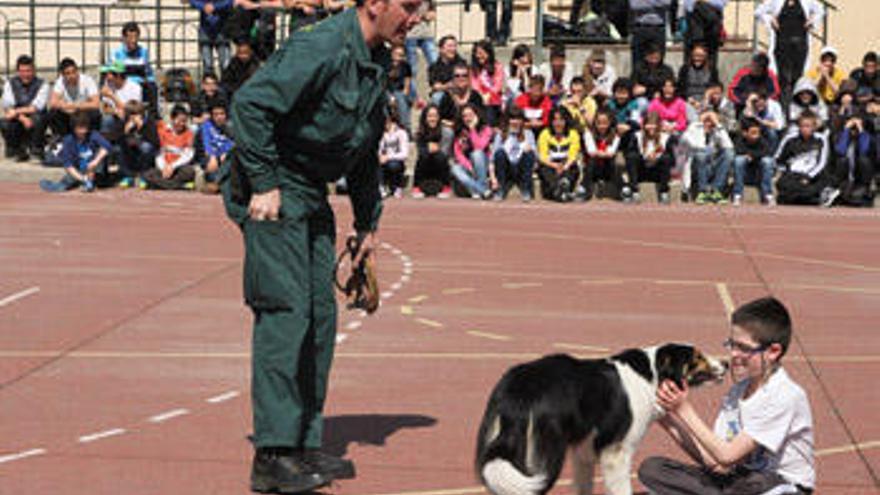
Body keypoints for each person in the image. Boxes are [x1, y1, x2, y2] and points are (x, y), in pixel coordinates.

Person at [224, 1, 421, 491]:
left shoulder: (375, 60)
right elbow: (249, 106)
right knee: (286, 312)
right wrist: (265, 182)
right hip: (274, 186)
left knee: (320, 315)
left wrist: (366, 224)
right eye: (410, 5)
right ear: (374, 3)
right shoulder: (321, 46)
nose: (417, 17)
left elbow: (362, 151)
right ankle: (272, 455)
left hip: (310, 192)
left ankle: (302, 445)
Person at [639, 296, 815, 495]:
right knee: (653, 469)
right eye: (731, 344)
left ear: (773, 351)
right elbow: (716, 463)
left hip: (778, 486)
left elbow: (727, 455)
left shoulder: (785, 395)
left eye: (743, 348)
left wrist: (684, 409)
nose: (733, 354)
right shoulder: (738, 392)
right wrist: (666, 415)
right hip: (739, 481)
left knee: (754, 485)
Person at [756, 0, 824, 105]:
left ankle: (795, 105)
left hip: (800, 45)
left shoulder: (807, 1)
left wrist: (812, 21)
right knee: (783, 78)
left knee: (797, 77)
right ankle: (783, 106)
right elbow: (759, 11)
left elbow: (821, 10)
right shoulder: (776, 1)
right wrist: (770, 19)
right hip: (782, 44)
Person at [40, 111, 110, 193]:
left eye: (85, 127)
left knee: (101, 154)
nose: (83, 131)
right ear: (74, 128)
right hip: (79, 169)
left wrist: (95, 162)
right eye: (80, 127)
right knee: (63, 185)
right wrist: (83, 178)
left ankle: (94, 181)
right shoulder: (68, 141)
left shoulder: (93, 135)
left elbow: (107, 146)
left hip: (95, 169)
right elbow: (68, 165)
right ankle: (84, 182)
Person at [774, 111, 830, 205]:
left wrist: (808, 177)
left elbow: (822, 163)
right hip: (793, 175)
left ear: (814, 127)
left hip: (812, 176)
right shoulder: (790, 138)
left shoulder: (821, 139)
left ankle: (806, 197)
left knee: (814, 187)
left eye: (808, 126)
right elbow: (778, 158)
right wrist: (784, 171)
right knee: (783, 185)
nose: (805, 129)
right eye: (803, 126)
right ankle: (812, 198)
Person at [0, 55, 49, 162]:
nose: (25, 74)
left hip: (34, 118)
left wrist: (16, 111)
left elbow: (36, 107)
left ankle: (36, 149)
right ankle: (15, 149)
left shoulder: (43, 84)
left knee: (38, 118)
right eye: (22, 71)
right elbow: (8, 106)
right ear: (17, 71)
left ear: (34, 70)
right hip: (18, 119)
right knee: (4, 122)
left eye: (28, 71)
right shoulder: (10, 83)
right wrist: (22, 117)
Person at [682, 109, 734, 204]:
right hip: (697, 168)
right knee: (701, 154)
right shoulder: (693, 128)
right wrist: (700, 126)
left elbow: (729, 146)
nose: (709, 124)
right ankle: (703, 191)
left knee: (729, 154)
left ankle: (716, 191)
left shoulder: (717, 130)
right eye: (707, 120)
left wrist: (718, 124)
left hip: (713, 167)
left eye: (711, 121)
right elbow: (691, 143)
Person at [622, 110, 673, 203]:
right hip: (641, 170)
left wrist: (657, 158)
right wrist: (645, 157)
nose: (651, 127)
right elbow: (631, 153)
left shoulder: (665, 137)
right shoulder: (637, 136)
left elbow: (672, 159)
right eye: (648, 124)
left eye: (654, 124)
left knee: (666, 158)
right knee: (631, 156)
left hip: (657, 172)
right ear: (644, 125)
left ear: (659, 125)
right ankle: (634, 191)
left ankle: (663, 192)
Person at [142, 105, 196, 190]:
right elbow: (159, 153)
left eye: (184, 121)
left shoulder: (189, 133)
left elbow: (188, 155)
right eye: (179, 120)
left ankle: (161, 184)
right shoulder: (162, 131)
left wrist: (172, 166)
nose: (182, 124)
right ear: (172, 118)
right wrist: (164, 167)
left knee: (189, 172)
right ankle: (178, 185)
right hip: (163, 166)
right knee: (147, 174)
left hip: (178, 167)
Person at [110, 22, 157, 116]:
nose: (133, 40)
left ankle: (153, 116)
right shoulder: (117, 53)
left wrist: (150, 80)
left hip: (141, 82)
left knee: (152, 87)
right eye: (130, 37)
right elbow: (114, 72)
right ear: (124, 38)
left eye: (136, 37)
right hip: (124, 82)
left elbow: (148, 71)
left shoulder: (143, 52)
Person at [47, 58, 101, 138]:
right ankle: (62, 139)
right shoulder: (60, 82)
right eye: (67, 73)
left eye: (74, 72)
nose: (72, 76)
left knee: (95, 113)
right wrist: (64, 107)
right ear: (63, 75)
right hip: (68, 112)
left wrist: (75, 106)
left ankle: (91, 139)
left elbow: (96, 104)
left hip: (83, 112)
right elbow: (53, 102)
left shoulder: (87, 80)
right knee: (53, 113)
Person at [491, 106, 536, 201]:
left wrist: (529, 148)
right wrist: (493, 178)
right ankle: (501, 189)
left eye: (518, 119)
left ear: (522, 120)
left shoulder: (528, 133)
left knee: (530, 153)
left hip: (521, 167)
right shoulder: (501, 134)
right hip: (506, 168)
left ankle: (525, 189)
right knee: (500, 153)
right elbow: (493, 158)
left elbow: (535, 157)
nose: (515, 122)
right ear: (507, 120)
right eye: (512, 119)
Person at [537, 107, 581, 202]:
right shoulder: (545, 133)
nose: (558, 124)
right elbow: (542, 157)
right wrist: (555, 166)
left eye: (561, 120)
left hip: (566, 164)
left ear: (566, 121)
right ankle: (560, 190)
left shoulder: (573, 134)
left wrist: (564, 167)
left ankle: (561, 188)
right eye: (555, 120)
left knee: (573, 168)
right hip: (550, 164)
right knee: (544, 169)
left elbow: (573, 155)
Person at [451, 103, 494, 199]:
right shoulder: (460, 132)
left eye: (470, 115)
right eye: (464, 116)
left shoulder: (486, 129)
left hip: (483, 164)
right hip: (469, 166)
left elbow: (480, 146)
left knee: (477, 154)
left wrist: (472, 129)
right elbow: (458, 153)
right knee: (455, 168)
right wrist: (469, 166)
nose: (467, 118)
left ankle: (480, 187)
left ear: (476, 115)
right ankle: (483, 190)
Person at [732, 117, 776, 206]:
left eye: (757, 133)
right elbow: (738, 150)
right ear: (745, 133)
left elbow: (767, 152)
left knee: (768, 161)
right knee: (739, 160)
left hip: (759, 168)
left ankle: (768, 194)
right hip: (745, 170)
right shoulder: (740, 140)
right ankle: (737, 194)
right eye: (753, 133)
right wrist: (749, 155)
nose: (756, 136)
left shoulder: (762, 140)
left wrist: (752, 156)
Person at [413, 104, 453, 198]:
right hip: (426, 166)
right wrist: (428, 149)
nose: (432, 119)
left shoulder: (446, 132)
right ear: (425, 118)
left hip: (441, 167)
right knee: (423, 156)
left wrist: (435, 149)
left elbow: (445, 153)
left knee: (440, 157)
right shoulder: (420, 132)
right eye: (430, 116)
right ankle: (417, 186)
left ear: (439, 117)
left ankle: (445, 187)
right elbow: (421, 152)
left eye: (435, 116)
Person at [98, 61, 143, 144]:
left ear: (118, 76)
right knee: (106, 120)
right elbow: (105, 107)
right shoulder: (109, 86)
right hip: (115, 116)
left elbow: (132, 109)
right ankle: (105, 147)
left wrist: (112, 96)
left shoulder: (134, 87)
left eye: (109, 74)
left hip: (132, 117)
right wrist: (115, 111)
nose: (107, 77)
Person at [582, 108, 622, 200]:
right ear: (595, 123)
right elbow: (591, 151)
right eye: (599, 123)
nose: (602, 126)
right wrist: (603, 154)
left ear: (610, 123)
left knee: (613, 163)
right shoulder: (589, 133)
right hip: (594, 169)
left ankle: (624, 190)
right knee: (591, 161)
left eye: (605, 123)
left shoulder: (615, 135)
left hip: (607, 169)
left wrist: (600, 153)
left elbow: (611, 152)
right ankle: (584, 190)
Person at [118, 101, 159, 189]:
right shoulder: (125, 122)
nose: (132, 116)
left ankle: (143, 176)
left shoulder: (149, 122)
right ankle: (128, 176)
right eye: (130, 114)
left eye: (135, 114)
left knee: (146, 147)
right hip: (131, 150)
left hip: (145, 149)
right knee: (120, 148)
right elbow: (119, 139)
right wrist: (125, 132)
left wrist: (141, 127)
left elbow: (154, 141)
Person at [196, 101, 234, 194]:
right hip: (211, 157)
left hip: (226, 157)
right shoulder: (206, 126)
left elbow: (234, 145)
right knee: (211, 165)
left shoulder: (231, 127)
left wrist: (226, 154)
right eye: (216, 114)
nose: (219, 117)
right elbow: (206, 144)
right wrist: (213, 156)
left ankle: (217, 184)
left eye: (222, 114)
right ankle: (219, 185)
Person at [404, 0, 438, 103]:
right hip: (411, 34)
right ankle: (413, 98)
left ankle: (437, 91)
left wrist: (424, 15)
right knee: (412, 68)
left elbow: (432, 15)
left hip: (426, 34)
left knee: (435, 62)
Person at [191, 0, 234, 75]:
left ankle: (226, 84)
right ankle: (208, 84)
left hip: (222, 30)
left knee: (225, 64)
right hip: (205, 30)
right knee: (207, 65)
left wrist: (215, 7)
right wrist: (203, 6)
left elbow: (230, 2)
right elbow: (193, 1)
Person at [682, 0, 727, 68]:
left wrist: (705, 1)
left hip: (712, 32)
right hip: (695, 32)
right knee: (691, 66)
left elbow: (721, 4)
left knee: (711, 65)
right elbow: (688, 5)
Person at [438, 62, 485, 127]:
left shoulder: (475, 96)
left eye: (464, 75)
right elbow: (440, 118)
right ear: (453, 79)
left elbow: (481, 118)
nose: (461, 78)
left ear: (469, 78)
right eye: (457, 76)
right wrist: (453, 125)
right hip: (453, 130)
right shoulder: (447, 97)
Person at [469, 40, 505, 127]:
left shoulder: (497, 67)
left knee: (490, 111)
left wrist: (488, 95)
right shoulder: (473, 69)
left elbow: (498, 86)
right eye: (477, 53)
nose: (479, 56)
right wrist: (481, 95)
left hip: (493, 99)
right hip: (478, 98)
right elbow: (474, 85)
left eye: (482, 53)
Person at [677, 44, 721, 114]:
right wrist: (689, 99)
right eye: (695, 55)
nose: (697, 58)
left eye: (700, 56)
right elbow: (680, 88)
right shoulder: (685, 68)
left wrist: (709, 96)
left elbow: (716, 85)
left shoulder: (711, 69)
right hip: (689, 100)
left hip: (706, 100)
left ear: (705, 56)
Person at [628, 0, 672, 65]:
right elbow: (634, 5)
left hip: (659, 29)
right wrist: (656, 3)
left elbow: (667, 2)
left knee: (658, 62)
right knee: (638, 63)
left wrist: (646, 2)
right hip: (641, 29)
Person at [378, 111, 410, 198]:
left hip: (396, 162)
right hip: (383, 162)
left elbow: (404, 154)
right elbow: (378, 150)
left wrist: (388, 157)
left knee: (394, 165)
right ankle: (381, 186)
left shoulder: (401, 133)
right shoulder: (380, 133)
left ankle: (397, 187)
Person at [428, 35, 466, 104]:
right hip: (443, 93)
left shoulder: (462, 63)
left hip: (460, 92)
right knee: (437, 97)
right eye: (450, 46)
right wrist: (447, 86)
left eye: (454, 46)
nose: (453, 49)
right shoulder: (434, 66)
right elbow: (435, 86)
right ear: (441, 49)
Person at [387, 44, 414, 131]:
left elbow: (407, 80)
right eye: (396, 54)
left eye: (401, 55)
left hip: (399, 90)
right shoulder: (386, 64)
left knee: (401, 98)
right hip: (387, 90)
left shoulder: (405, 65)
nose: (398, 57)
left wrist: (405, 91)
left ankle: (405, 126)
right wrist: (391, 97)